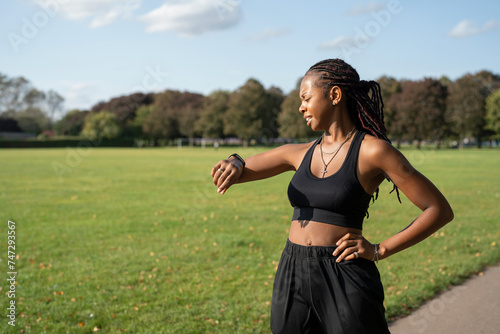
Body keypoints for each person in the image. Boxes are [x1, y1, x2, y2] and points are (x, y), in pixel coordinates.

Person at [211, 58, 454, 334]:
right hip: (293, 270)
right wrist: (234, 160)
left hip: (344, 272)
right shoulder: (299, 152)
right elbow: (242, 167)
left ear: (335, 95)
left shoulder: (373, 151)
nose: (301, 107)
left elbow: (438, 209)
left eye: (306, 98)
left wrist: (379, 249)